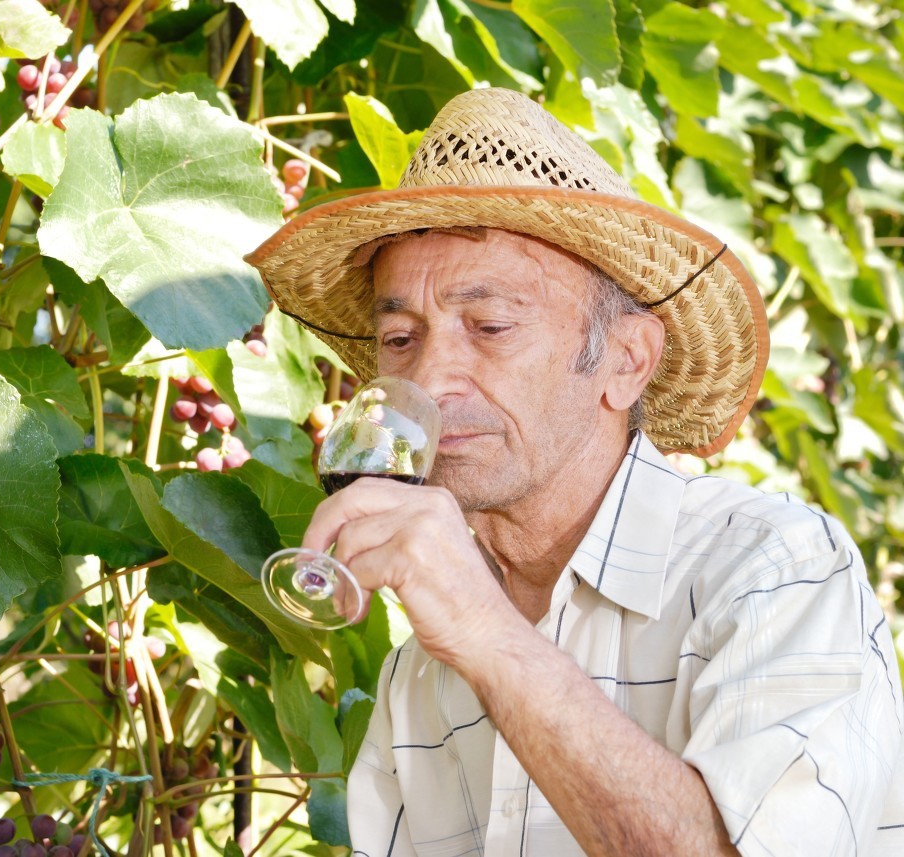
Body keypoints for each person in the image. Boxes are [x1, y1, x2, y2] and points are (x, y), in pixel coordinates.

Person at [245, 88, 904, 855]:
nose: (429, 377)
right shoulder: (417, 674)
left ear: (626, 363)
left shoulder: (773, 572)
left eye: (490, 326)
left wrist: (486, 636)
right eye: (398, 337)